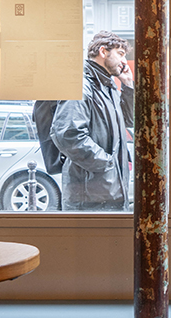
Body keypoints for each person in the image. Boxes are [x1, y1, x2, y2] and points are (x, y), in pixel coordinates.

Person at [51, 31, 134, 211]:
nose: (124, 61)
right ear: (103, 52)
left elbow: (128, 120)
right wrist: (108, 164)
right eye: (120, 54)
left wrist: (127, 86)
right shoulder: (82, 85)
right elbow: (68, 135)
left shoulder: (107, 86)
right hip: (89, 198)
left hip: (107, 193)